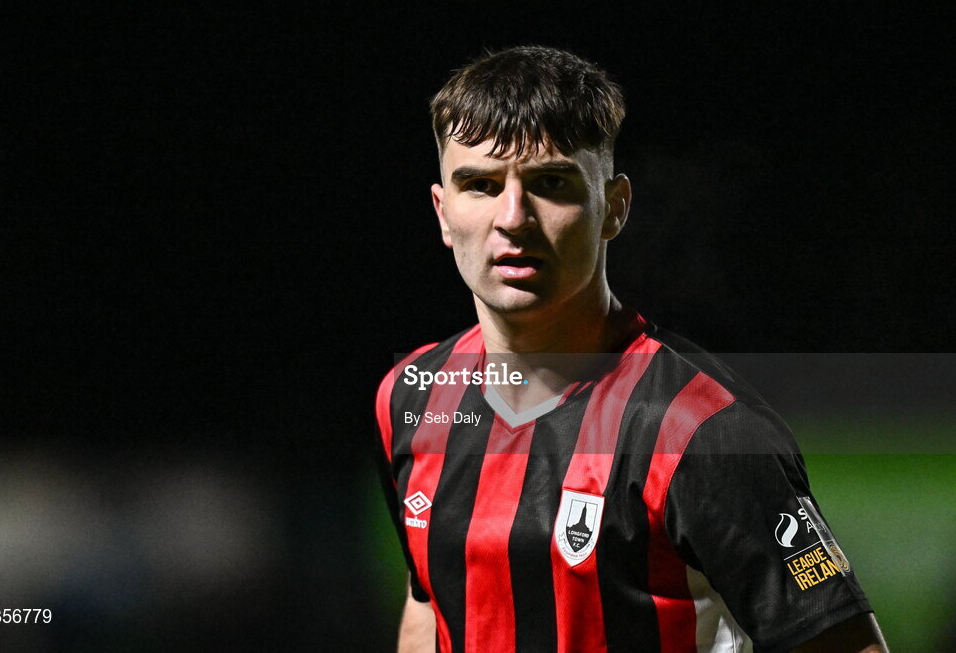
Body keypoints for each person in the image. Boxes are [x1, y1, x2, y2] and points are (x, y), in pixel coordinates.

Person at [374, 45, 887, 653]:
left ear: (613, 208)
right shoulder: (412, 396)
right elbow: (428, 604)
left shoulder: (703, 431)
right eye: (480, 185)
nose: (512, 218)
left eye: (550, 183)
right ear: (443, 212)